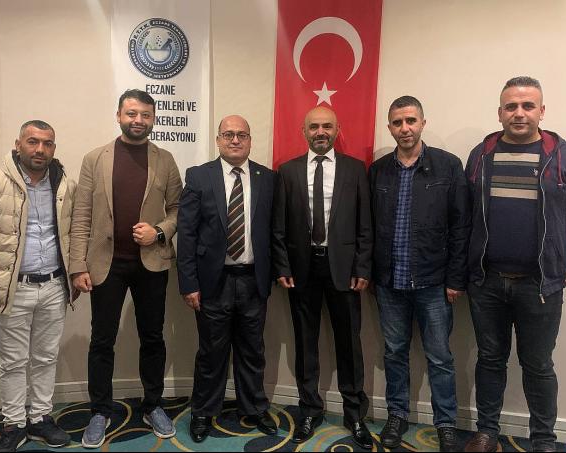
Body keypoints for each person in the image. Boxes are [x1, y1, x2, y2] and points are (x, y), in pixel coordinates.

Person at [464, 76, 566, 453]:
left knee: (538, 365)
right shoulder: (482, 154)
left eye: (527, 106)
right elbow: (465, 217)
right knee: (489, 359)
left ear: (542, 111)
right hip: (486, 282)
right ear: (500, 113)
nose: (519, 113)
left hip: (540, 285)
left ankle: (543, 440)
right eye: (511, 106)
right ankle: (487, 433)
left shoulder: (564, 155)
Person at [69, 89, 183, 449]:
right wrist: (77, 265)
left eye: (145, 115)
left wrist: (159, 231)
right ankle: (100, 411)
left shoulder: (165, 159)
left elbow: (179, 209)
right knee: (102, 340)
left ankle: (153, 405)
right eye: (132, 113)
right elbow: (81, 216)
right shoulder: (95, 159)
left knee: (153, 338)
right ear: (119, 115)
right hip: (106, 265)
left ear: (153, 119)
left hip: (151, 264)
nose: (138, 120)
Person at [0, 120, 77, 452]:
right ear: (18, 144)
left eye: (47, 143)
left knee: (45, 358)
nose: (40, 149)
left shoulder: (64, 185)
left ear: (54, 148)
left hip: (53, 286)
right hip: (12, 289)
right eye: (33, 142)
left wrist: (75, 273)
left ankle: (40, 418)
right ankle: (13, 424)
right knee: (13, 362)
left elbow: (73, 234)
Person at [368, 96, 470, 451]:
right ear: (390, 127)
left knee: (440, 357)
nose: (405, 128)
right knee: (394, 352)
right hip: (389, 281)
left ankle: (445, 423)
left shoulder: (448, 166)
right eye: (397, 122)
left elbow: (461, 226)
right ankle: (397, 414)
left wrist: (456, 278)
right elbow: (368, 228)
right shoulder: (378, 171)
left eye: (410, 120)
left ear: (422, 123)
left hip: (434, 282)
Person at [272, 106, 374, 449]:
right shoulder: (287, 171)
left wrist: (362, 267)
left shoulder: (355, 170)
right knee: (305, 343)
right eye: (314, 126)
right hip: (301, 271)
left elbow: (365, 224)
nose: (320, 132)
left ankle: (354, 413)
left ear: (337, 129)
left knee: (350, 344)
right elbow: (279, 227)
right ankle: (310, 409)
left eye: (327, 126)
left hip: (345, 271)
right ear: (303, 132)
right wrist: (282, 267)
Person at [177, 115, 276, 443]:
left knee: (253, 350)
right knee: (211, 351)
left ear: (250, 140)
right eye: (229, 134)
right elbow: (187, 234)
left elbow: (275, 231)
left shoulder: (267, 178)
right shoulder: (199, 176)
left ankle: (255, 407)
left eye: (242, 135)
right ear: (218, 140)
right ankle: (204, 411)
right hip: (212, 283)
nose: (235, 140)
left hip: (253, 281)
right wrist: (189, 283)